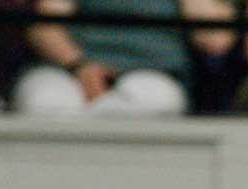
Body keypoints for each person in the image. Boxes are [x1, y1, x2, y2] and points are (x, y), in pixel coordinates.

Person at [14, 0, 193, 116]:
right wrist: (79, 67)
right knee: (46, 103)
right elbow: (45, 27)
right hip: (69, 69)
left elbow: (214, 40)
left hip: (153, 73)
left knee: (144, 106)